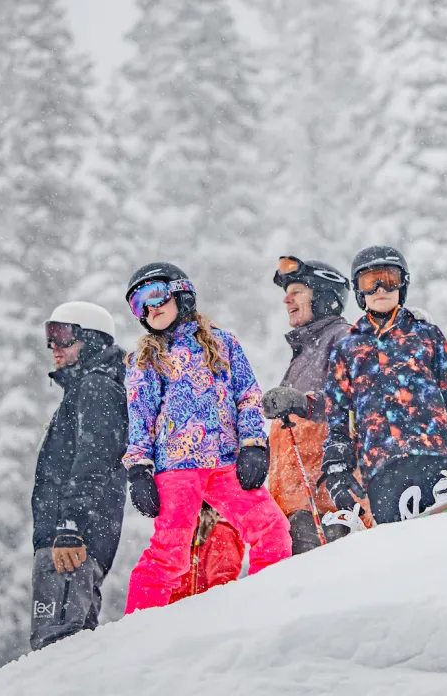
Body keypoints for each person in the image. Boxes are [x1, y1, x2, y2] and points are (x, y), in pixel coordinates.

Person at [121, 262, 291, 613]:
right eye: (139, 304)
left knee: (271, 528)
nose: (150, 308)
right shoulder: (148, 358)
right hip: (177, 469)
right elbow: (140, 418)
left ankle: (269, 608)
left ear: (181, 292)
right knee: (170, 554)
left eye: (154, 295)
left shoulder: (223, 343)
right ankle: (135, 629)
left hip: (226, 461)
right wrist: (139, 470)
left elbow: (247, 395)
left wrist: (253, 445)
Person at [321, 246, 447, 524]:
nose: (381, 289)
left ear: (402, 284)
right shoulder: (348, 347)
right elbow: (337, 417)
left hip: (435, 455)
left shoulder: (425, 334)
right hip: (382, 466)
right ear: (359, 291)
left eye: (389, 279)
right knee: (399, 546)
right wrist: (338, 468)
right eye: (370, 282)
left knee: (444, 532)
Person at [30, 301, 128, 650]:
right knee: (73, 647)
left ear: (92, 341)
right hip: (77, 539)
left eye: (62, 336)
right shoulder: (90, 390)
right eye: (49, 336)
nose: (53, 346)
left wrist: (70, 526)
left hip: (71, 541)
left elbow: (94, 461)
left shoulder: (97, 388)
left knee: (56, 646)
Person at [260, 256, 354, 552]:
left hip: (326, 502)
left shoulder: (344, 338)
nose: (286, 300)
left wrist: (305, 404)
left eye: (297, 291)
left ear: (325, 296)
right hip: (290, 502)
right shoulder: (304, 351)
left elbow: (359, 406)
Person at [167, 504, 245, 604]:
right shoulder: (185, 530)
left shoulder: (220, 535)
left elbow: (222, 588)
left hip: (192, 613)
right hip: (173, 612)